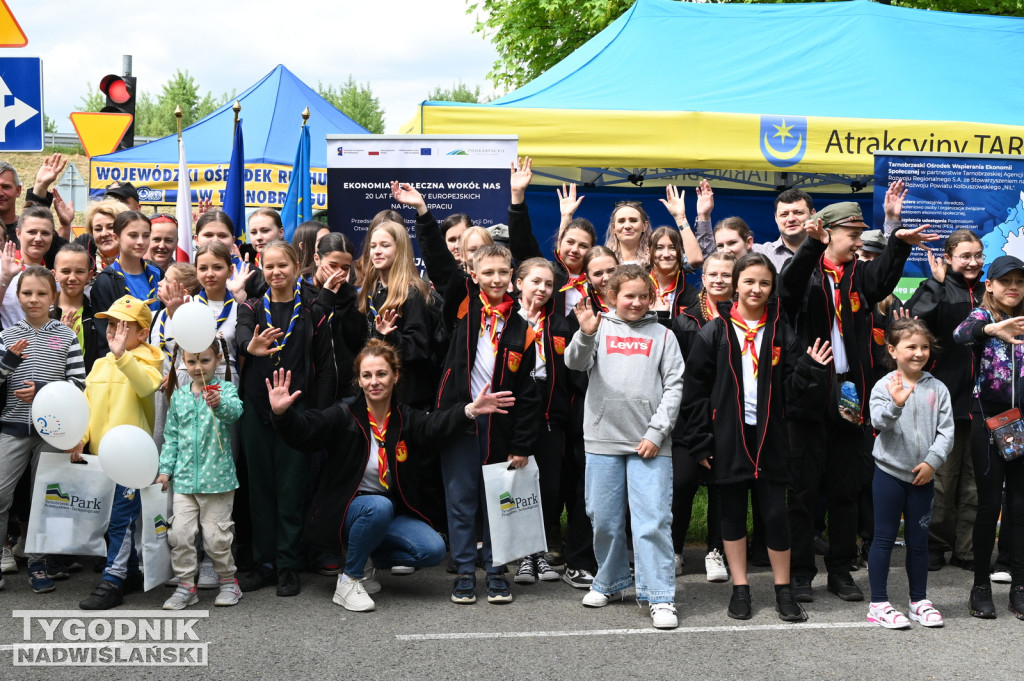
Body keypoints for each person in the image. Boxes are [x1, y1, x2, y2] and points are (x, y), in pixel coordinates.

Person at [268, 340, 515, 611]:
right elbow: (307, 432)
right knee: (378, 506)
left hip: (386, 513)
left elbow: (433, 425)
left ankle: (364, 558)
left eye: (381, 374)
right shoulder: (344, 414)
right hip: (345, 511)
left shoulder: (404, 417)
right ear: (359, 381)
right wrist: (283, 414)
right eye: (367, 375)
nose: (375, 381)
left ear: (395, 376)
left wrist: (468, 410)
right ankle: (349, 579)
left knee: (431, 548)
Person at [778, 184, 936, 604]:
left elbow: (882, 276)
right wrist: (810, 248)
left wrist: (899, 241)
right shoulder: (805, 271)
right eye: (852, 232)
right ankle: (799, 573)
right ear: (828, 233)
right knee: (805, 488)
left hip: (849, 392)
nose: (858, 239)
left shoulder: (856, 275)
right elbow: (787, 288)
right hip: (809, 391)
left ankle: (841, 570)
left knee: (846, 487)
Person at [396, 181, 542, 606]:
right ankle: (464, 570)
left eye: (503, 273)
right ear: (474, 275)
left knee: (499, 500)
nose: (495, 279)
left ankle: (496, 570)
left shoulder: (521, 327)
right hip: (460, 420)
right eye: (488, 273)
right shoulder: (462, 302)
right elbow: (440, 264)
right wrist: (423, 211)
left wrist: (522, 444)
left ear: (513, 278)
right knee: (460, 499)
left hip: (501, 427)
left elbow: (529, 394)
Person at [681, 253, 831, 622]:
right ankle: (741, 588)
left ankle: (782, 590)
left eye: (764, 283)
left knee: (775, 514)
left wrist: (810, 369)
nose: (756, 289)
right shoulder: (714, 331)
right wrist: (700, 440)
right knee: (731, 514)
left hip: (771, 436)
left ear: (772, 288)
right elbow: (695, 392)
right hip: (727, 436)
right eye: (749, 281)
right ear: (735, 284)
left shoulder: (781, 331)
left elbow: (794, 392)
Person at [565, 264, 684, 630]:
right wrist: (585, 334)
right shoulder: (597, 329)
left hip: (649, 444)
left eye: (642, 296)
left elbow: (674, 387)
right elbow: (574, 362)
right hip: (602, 441)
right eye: (627, 296)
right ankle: (611, 582)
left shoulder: (664, 336)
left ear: (652, 297)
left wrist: (656, 433)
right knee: (604, 519)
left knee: (652, 522)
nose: (635, 302)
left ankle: (660, 595)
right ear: (610, 297)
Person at [235, 240, 336, 597]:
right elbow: (242, 335)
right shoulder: (251, 306)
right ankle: (264, 563)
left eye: (283, 266)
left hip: (297, 412)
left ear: (297, 267)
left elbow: (325, 366)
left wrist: (318, 416)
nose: (276, 272)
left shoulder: (312, 309)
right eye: (269, 266)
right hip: (256, 411)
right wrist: (251, 346)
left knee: (291, 490)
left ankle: (288, 563)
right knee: (260, 489)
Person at [0, 267, 86, 595]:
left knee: (44, 498)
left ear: (53, 297)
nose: (34, 299)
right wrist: (8, 360)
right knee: (1, 494)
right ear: (18, 297)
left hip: (52, 432)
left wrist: (43, 390)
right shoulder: (7, 336)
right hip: (14, 426)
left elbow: (78, 384)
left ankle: (37, 562)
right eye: (27, 293)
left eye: (41, 293)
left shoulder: (65, 336)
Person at [74, 295, 164, 610]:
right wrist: (80, 437)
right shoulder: (101, 363)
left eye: (125, 327)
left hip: (132, 459)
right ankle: (133, 570)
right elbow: (86, 403)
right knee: (112, 518)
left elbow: (145, 387)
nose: (116, 331)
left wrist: (123, 354)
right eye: (112, 324)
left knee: (120, 520)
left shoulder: (151, 361)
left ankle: (113, 580)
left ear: (142, 334)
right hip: (100, 459)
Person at [866, 318, 953, 628]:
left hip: (923, 478)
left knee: (919, 542)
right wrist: (896, 404)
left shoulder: (938, 388)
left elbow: (946, 432)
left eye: (924, 347)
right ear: (893, 350)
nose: (919, 353)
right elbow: (878, 421)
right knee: (884, 538)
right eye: (911, 346)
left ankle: (918, 601)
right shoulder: (884, 385)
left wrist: (932, 462)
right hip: (889, 475)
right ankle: (878, 604)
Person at [907, 229, 985, 573]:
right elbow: (915, 327)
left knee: (974, 482)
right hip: (944, 401)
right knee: (942, 478)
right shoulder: (936, 287)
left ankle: (966, 549)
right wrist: (938, 286)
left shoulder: (990, 291)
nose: (972, 262)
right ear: (949, 258)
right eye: (965, 255)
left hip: (984, 403)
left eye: (977, 255)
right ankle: (936, 544)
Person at [953, 254, 1024, 620]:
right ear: (990, 285)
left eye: (1019, 282)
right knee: (988, 507)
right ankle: (980, 585)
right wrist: (992, 330)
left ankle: (1020, 586)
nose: (1013, 287)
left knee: (1020, 508)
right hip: (988, 422)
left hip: (1023, 424)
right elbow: (959, 334)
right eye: (1005, 281)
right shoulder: (983, 317)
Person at [156, 339, 244, 610]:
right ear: (183, 361)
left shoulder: (225, 389)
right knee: (179, 534)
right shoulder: (179, 396)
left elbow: (234, 413)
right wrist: (165, 470)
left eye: (204, 360)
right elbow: (171, 438)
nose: (197, 367)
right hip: (184, 481)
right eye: (191, 361)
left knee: (216, 538)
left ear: (218, 360)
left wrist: (218, 403)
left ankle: (228, 581)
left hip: (217, 480)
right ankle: (185, 586)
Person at [510, 257, 575, 585]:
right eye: (536, 281)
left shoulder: (560, 324)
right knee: (519, 488)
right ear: (518, 283)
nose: (542, 288)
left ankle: (541, 550)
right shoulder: (506, 321)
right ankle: (524, 554)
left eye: (549, 284)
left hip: (550, 418)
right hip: (515, 418)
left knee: (548, 488)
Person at [671, 250, 736, 582]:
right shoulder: (685, 318)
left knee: (721, 488)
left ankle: (715, 551)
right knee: (681, 483)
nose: (720, 280)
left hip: (728, 416)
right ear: (704, 277)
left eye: (726, 275)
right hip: (688, 414)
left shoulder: (743, 317)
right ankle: (676, 549)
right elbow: (681, 375)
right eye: (713, 274)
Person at [358, 219, 434, 408]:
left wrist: (390, 335)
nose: (377, 251)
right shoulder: (371, 291)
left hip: (407, 400)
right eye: (373, 246)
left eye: (385, 245)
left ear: (399, 250)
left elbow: (419, 349)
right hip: (377, 396)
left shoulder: (412, 292)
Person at [90, 211, 163, 354]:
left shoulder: (158, 273)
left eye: (146, 236)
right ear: (115, 237)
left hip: (158, 358)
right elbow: (106, 335)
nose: (141, 241)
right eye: (133, 235)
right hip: (123, 361)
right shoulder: (106, 281)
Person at [0, 206, 57, 329]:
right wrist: (5, 279)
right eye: (32, 232)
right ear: (18, 233)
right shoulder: (3, 267)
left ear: (52, 236)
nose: (38, 239)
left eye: (45, 233)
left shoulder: (54, 276)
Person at [53, 243, 101, 372]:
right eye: (65, 271)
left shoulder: (97, 314)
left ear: (89, 275)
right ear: (55, 274)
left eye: (79, 271)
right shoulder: (44, 314)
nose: (72, 278)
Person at [752, 188, 816, 272]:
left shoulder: (828, 251)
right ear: (776, 218)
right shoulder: (759, 252)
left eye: (798, 213)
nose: (791, 219)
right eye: (784, 214)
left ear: (813, 214)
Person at [648, 226, 698, 323]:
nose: (666, 254)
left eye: (672, 248)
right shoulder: (635, 286)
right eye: (659, 248)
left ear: (681, 252)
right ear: (648, 252)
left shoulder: (693, 297)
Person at [83, 200, 127, 276]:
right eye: (98, 229)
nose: (104, 234)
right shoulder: (83, 264)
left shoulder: (139, 265)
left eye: (111, 227)